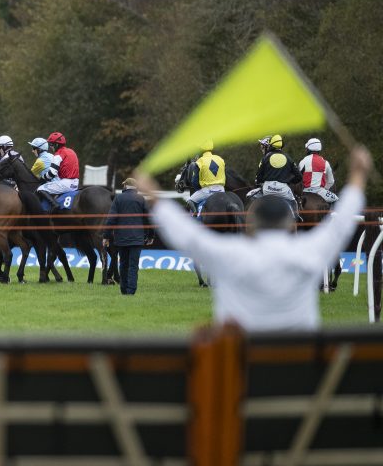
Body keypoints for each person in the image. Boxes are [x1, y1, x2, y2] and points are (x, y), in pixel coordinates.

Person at [135, 145, 372, 331]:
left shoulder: (231, 254)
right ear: (287, 223)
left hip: (241, 374)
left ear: (252, 223)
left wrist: (152, 196)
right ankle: (296, 210)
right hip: (302, 378)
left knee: (193, 203)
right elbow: (339, 225)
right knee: (294, 198)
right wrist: (359, 175)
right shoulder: (308, 251)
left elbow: (188, 237)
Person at [102, 177, 153, 295]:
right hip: (137, 239)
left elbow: (111, 219)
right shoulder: (141, 199)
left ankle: (123, 290)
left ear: (125, 186)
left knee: (123, 264)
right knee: (133, 266)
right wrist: (150, 236)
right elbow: (149, 219)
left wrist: (106, 236)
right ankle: (131, 291)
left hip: (121, 238)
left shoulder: (118, 199)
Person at [252, 134, 302, 215]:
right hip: (283, 189)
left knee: (253, 199)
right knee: (294, 202)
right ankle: (296, 217)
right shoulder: (288, 158)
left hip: (267, 189)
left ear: (270, 145)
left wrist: (260, 182)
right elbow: (299, 177)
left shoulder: (265, 158)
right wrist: (289, 181)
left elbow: (258, 178)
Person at [37, 131, 80, 206]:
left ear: (56, 144)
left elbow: (52, 173)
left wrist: (42, 178)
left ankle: (55, 206)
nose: (50, 147)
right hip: (76, 183)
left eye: (51, 144)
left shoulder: (58, 154)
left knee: (40, 188)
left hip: (66, 183)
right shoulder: (71, 151)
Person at [185, 140, 227, 215]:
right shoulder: (220, 159)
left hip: (207, 191)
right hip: (221, 190)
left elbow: (195, 182)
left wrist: (198, 188)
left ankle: (195, 214)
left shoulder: (200, 161)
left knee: (189, 200)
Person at [299, 138, 338, 203]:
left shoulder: (302, 162)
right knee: (337, 200)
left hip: (304, 192)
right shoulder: (326, 163)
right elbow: (331, 181)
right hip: (320, 191)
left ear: (308, 149)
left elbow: (299, 180)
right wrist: (325, 189)